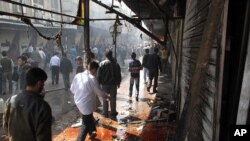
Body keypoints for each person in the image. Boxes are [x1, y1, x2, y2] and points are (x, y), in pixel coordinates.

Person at [3, 67, 52, 141]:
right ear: (39, 83)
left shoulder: (11, 100)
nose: (43, 86)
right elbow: (43, 137)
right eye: (43, 83)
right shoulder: (42, 106)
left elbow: (6, 124)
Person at [70, 61, 109, 141]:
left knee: (89, 117)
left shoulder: (78, 75)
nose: (96, 72)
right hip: (86, 104)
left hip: (78, 102)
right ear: (94, 69)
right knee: (85, 123)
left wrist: (80, 94)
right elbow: (99, 92)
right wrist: (106, 96)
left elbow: (72, 89)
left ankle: (92, 133)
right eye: (96, 70)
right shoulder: (92, 79)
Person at [97, 50, 121, 118]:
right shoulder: (116, 64)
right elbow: (118, 74)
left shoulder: (102, 63)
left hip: (104, 85)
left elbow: (99, 75)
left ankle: (105, 112)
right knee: (113, 98)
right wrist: (118, 82)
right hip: (113, 84)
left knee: (105, 98)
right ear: (111, 55)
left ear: (105, 55)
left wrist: (98, 83)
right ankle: (113, 112)